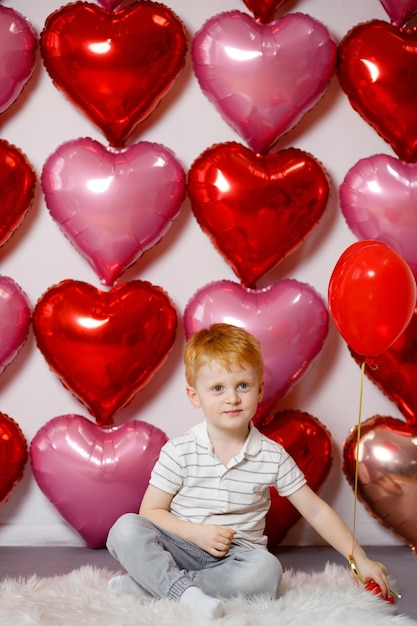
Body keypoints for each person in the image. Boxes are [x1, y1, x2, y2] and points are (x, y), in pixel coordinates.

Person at [107, 323, 391, 619]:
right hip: (182, 545)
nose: (232, 398)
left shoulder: (271, 455)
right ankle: (181, 590)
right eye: (217, 388)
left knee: (267, 571)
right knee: (125, 528)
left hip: (237, 558)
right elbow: (151, 511)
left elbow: (315, 510)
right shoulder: (180, 450)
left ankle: (154, 585)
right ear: (195, 397)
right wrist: (197, 533)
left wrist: (360, 559)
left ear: (259, 390)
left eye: (242, 385)